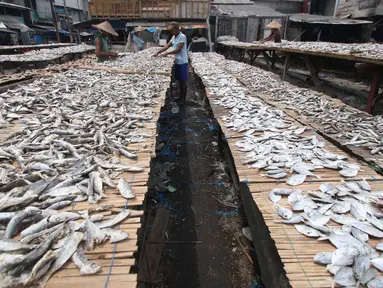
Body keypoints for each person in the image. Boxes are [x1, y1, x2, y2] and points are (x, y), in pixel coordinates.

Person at [153, 22, 188, 105]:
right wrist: (158, 52)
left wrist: (167, 53)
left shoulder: (182, 37)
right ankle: (179, 97)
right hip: (177, 61)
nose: (171, 32)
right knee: (179, 80)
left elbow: (178, 49)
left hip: (183, 62)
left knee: (183, 81)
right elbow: (166, 46)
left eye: (172, 30)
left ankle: (183, 99)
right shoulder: (174, 37)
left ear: (177, 29)